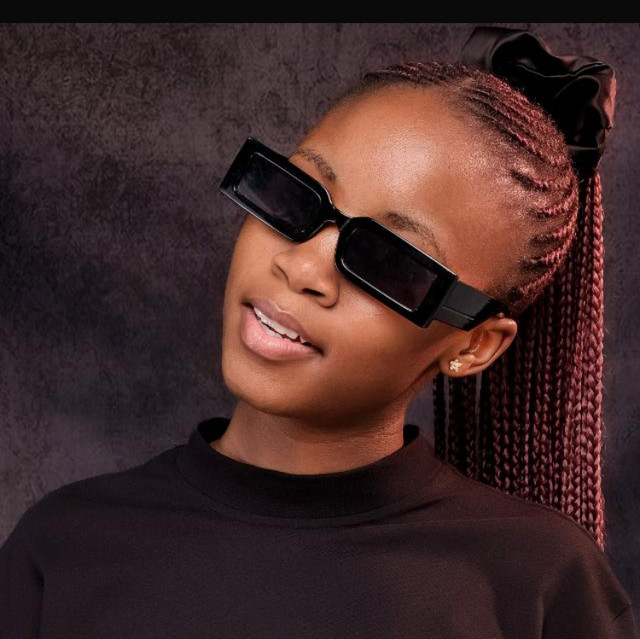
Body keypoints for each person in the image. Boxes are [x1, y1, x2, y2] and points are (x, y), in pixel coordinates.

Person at [0, 25, 637, 638]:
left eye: (388, 260)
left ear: (473, 344)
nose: (302, 267)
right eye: (298, 197)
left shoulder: (541, 582)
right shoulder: (64, 547)